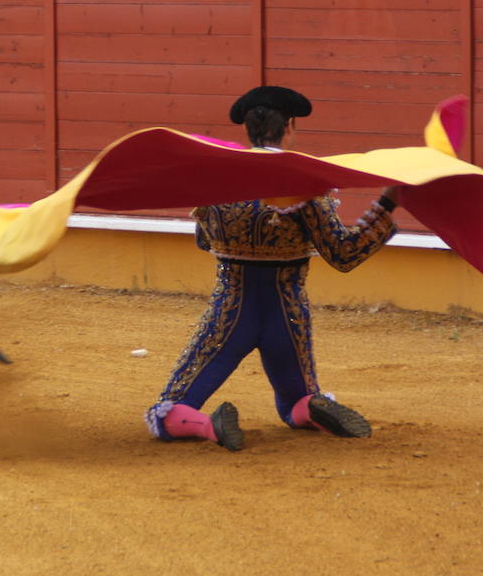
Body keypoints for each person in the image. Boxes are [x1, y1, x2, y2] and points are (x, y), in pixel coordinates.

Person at [145, 85, 404, 452]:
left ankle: (207, 426)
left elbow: (205, 242)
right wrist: (388, 201)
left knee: (169, 410)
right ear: (290, 126)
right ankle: (311, 409)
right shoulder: (302, 186)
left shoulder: (215, 182)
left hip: (232, 311)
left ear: (248, 129)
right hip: (288, 312)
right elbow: (344, 254)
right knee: (296, 400)